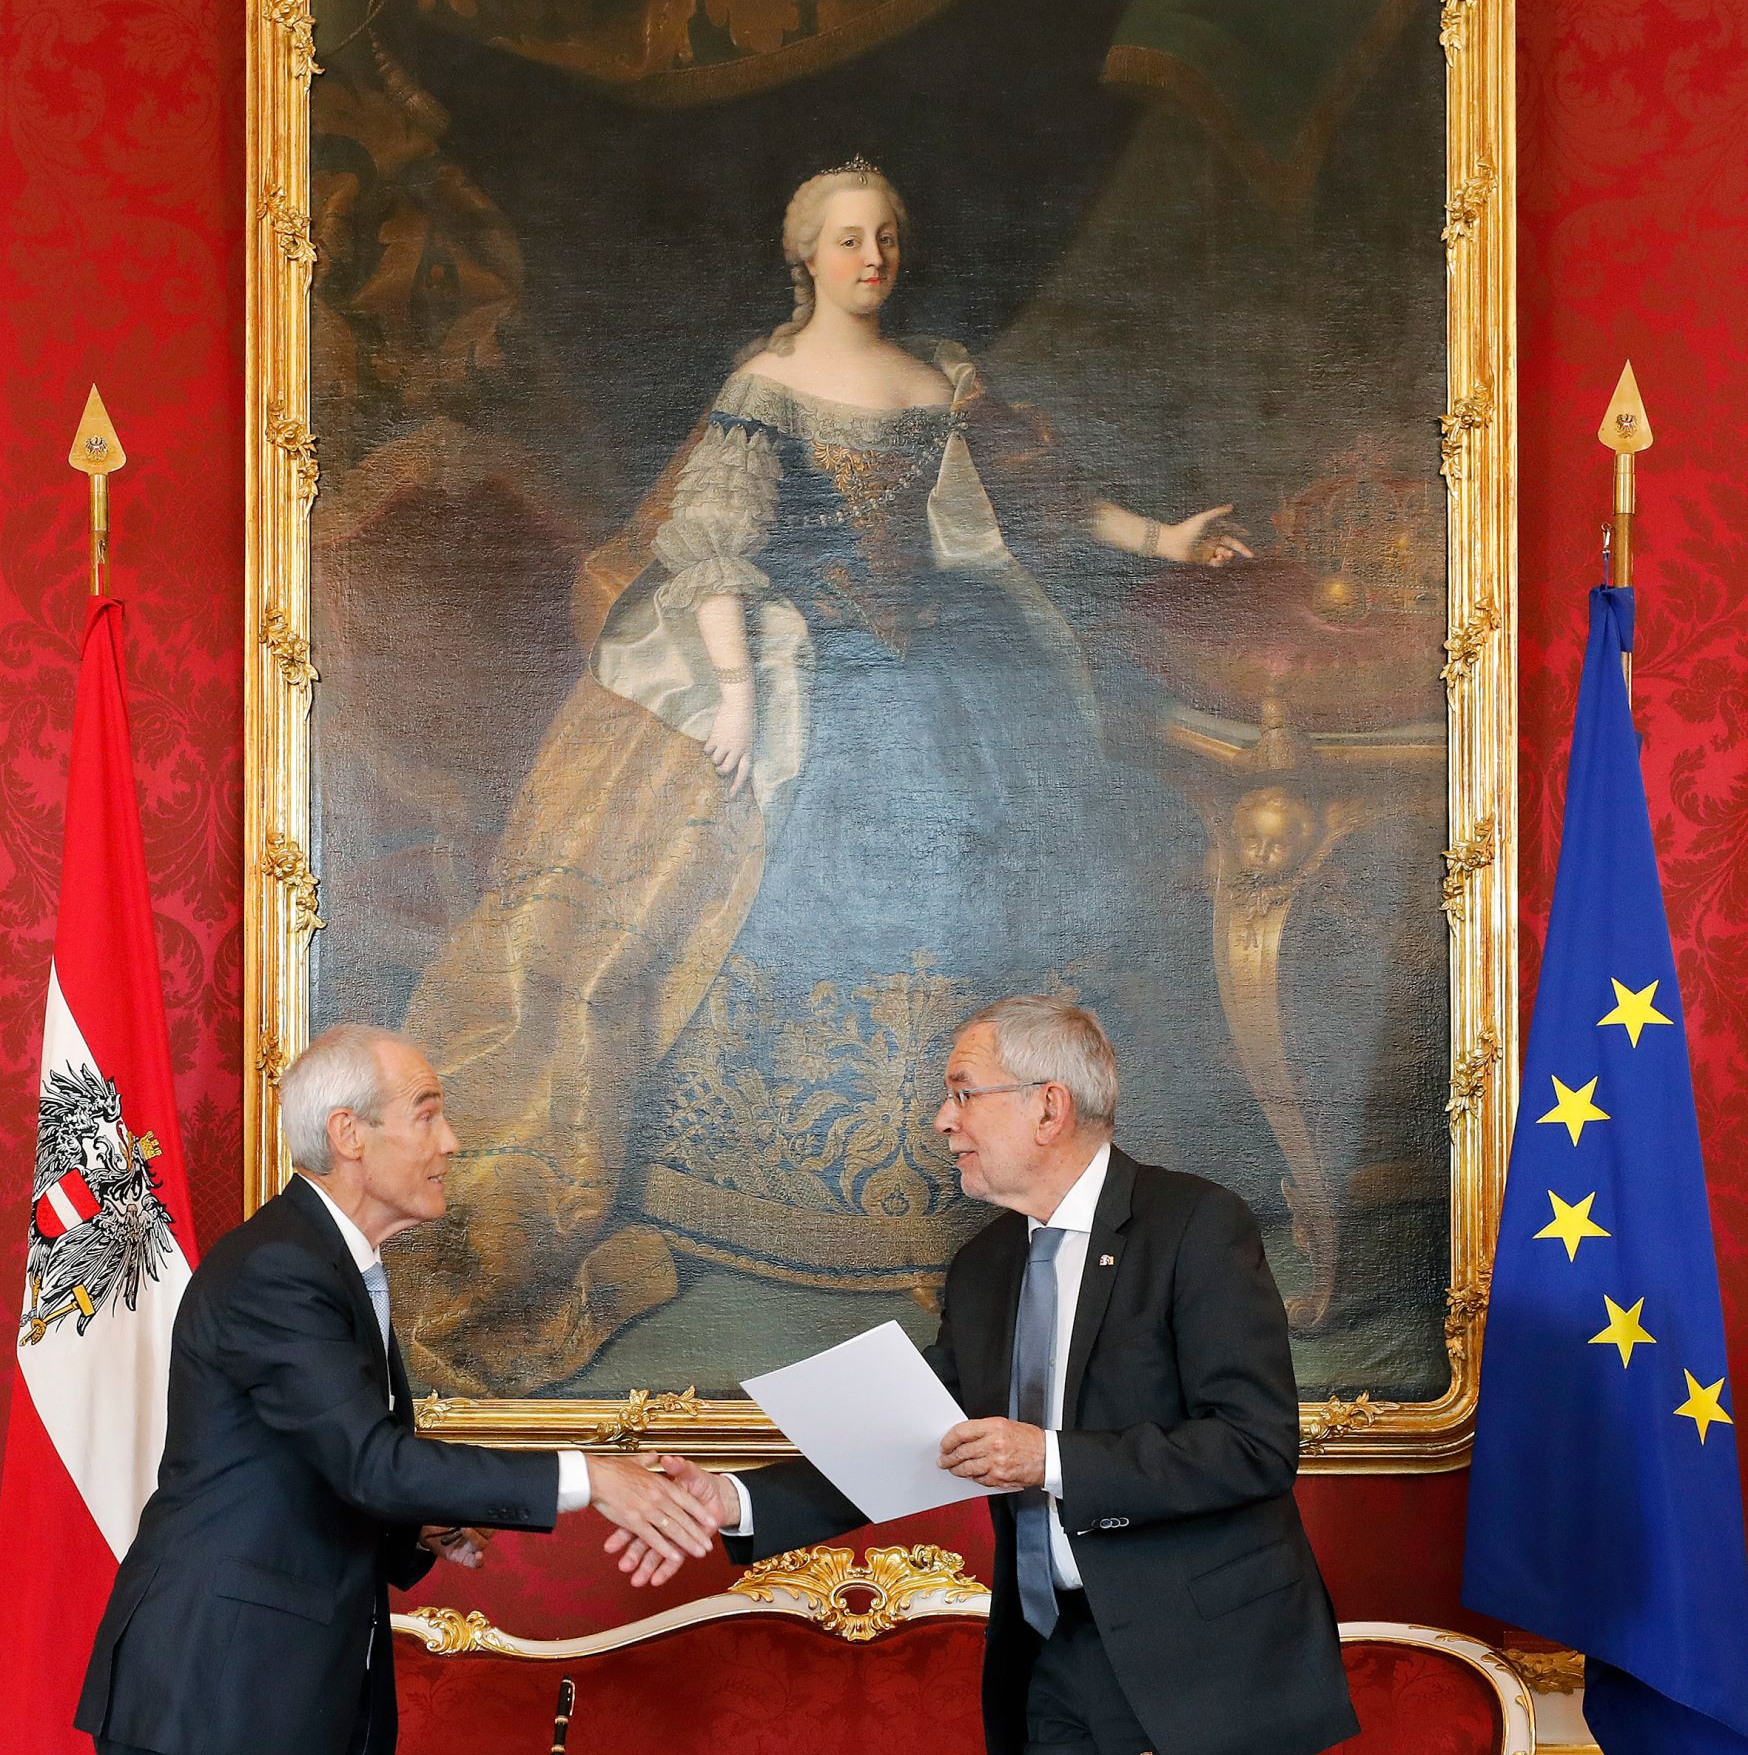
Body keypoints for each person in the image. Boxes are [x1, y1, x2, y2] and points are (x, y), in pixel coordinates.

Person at [395, 158, 1252, 1395]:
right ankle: (774, 1189)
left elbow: (1044, 499)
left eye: (888, 236)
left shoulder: (938, 374)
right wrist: (737, 695)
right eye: (850, 239)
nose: (873, 258)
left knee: (983, 892)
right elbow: (715, 550)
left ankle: (961, 1186)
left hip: (956, 662)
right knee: (794, 887)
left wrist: (1162, 538)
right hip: (815, 669)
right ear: (804, 255)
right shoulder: (769, 385)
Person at [616, 996, 1358, 1755]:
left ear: (1048, 1108)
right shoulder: (984, 1268)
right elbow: (909, 1436)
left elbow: (1255, 1446)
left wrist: (1051, 1459)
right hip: (1046, 1659)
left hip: (1202, 1666)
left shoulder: (1194, 1225)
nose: (944, 1120)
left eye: (964, 1093)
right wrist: (730, 1498)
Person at [75, 1024, 722, 1755]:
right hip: (216, 1690)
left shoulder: (336, 1265)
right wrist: (592, 1476)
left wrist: (416, 1525)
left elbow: (315, 1461)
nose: (449, 1142)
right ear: (349, 1134)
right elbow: (369, 1463)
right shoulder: (280, 1268)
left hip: (286, 1685)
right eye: (427, 1114)